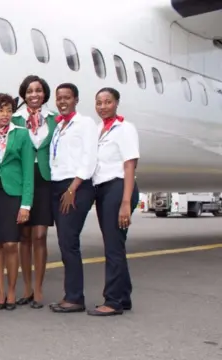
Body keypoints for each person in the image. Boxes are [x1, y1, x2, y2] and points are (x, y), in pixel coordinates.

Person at [0, 93, 35, 310]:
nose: (5, 114)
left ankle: (12, 291)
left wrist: (26, 204)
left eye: (9, 110)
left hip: (14, 194)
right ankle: (0, 294)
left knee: (12, 244)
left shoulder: (21, 135)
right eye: (1, 110)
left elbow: (29, 171)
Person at [88, 87, 140, 316]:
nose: (102, 106)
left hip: (119, 188)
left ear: (117, 103)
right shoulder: (99, 129)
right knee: (115, 244)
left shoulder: (125, 129)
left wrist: (126, 202)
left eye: (107, 102)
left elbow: (130, 165)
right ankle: (124, 296)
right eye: (99, 102)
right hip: (104, 190)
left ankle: (113, 301)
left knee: (112, 247)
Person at [48, 83, 98, 314]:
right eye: (59, 98)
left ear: (76, 99)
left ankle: (75, 298)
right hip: (59, 186)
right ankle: (71, 294)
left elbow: (89, 157)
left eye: (67, 97)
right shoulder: (60, 126)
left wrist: (72, 188)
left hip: (75, 187)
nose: (62, 101)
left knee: (69, 242)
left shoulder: (85, 123)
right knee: (64, 242)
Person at [11, 75, 58, 309]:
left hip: (45, 180)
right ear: (23, 94)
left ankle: (39, 288)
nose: (34, 95)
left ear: (44, 94)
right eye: (29, 91)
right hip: (22, 181)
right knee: (24, 237)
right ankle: (27, 287)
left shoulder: (55, 120)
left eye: (38, 90)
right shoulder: (14, 120)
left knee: (40, 236)